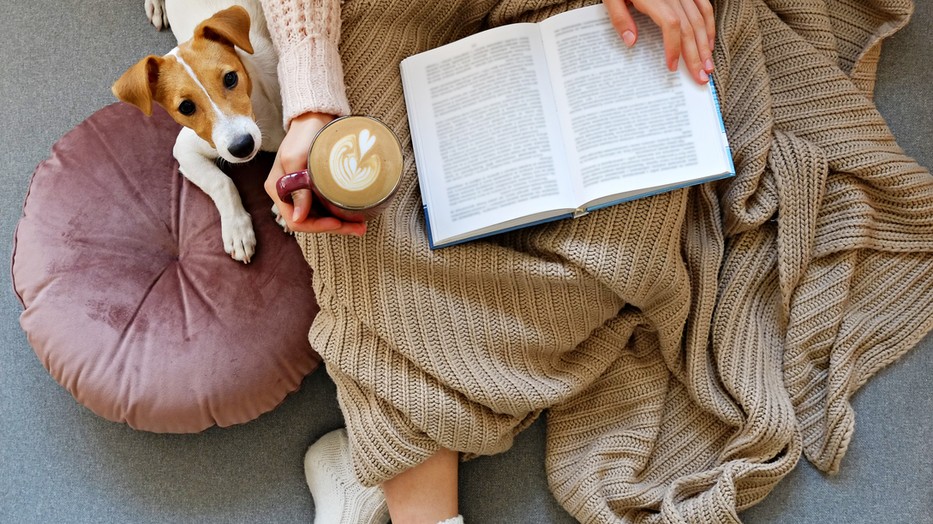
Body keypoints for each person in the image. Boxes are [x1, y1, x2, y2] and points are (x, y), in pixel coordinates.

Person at [258, 0, 716, 522]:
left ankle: (381, 460)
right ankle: (413, 495)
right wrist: (309, 92)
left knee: (623, 243)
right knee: (362, 213)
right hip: (388, 15)